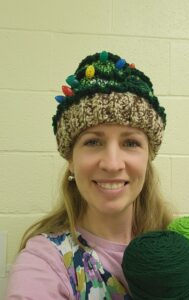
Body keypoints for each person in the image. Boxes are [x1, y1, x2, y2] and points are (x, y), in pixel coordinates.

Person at [5, 51, 173, 299]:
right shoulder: (47, 260)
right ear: (71, 160)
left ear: (148, 157)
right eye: (93, 142)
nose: (113, 164)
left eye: (131, 143)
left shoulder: (180, 247)